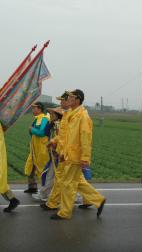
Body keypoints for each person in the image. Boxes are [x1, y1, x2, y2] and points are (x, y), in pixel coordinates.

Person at [50, 89, 106, 220]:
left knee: (67, 183)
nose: (68, 99)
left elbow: (86, 138)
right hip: (66, 153)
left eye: (71, 97)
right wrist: (54, 141)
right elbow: (64, 134)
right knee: (74, 182)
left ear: (77, 99)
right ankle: (98, 200)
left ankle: (64, 212)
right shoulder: (70, 113)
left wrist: (85, 157)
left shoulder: (83, 116)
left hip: (74, 155)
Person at [35, 107, 64, 201]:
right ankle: (46, 194)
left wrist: (56, 150)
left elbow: (60, 139)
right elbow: (45, 132)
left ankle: (45, 194)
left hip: (57, 154)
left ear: (57, 116)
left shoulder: (58, 125)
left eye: (52, 114)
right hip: (54, 154)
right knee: (53, 175)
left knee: (48, 174)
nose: (50, 115)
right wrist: (51, 122)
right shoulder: (54, 124)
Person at [24, 102, 50, 194]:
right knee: (30, 166)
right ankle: (32, 187)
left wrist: (32, 130)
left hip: (42, 149)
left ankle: (46, 190)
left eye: (34, 108)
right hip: (35, 148)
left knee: (42, 169)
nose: (33, 110)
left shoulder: (44, 119)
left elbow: (42, 132)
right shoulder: (37, 119)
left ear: (39, 109)